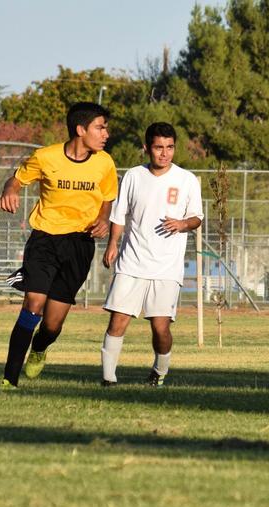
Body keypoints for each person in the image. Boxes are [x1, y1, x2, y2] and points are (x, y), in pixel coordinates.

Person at [0, 102, 118, 390]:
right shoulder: (45, 157)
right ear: (81, 129)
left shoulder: (105, 163)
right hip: (45, 239)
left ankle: (40, 347)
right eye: (100, 128)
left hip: (80, 244)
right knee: (33, 304)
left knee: (52, 324)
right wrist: (10, 190)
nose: (106, 134)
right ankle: (9, 378)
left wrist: (103, 219)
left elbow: (107, 198)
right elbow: (17, 179)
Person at [100, 122, 203, 387]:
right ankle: (108, 379)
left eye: (169, 147)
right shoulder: (133, 176)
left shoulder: (187, 180)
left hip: (166, 268)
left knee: (160, 327)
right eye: (159, 147)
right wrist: (112, 244)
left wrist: (182, 224)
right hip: (132, 262)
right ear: (147, 148)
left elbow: (197, 218)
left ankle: (159, 370)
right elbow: (119, 215)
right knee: (118, 320)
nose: (164, 153)